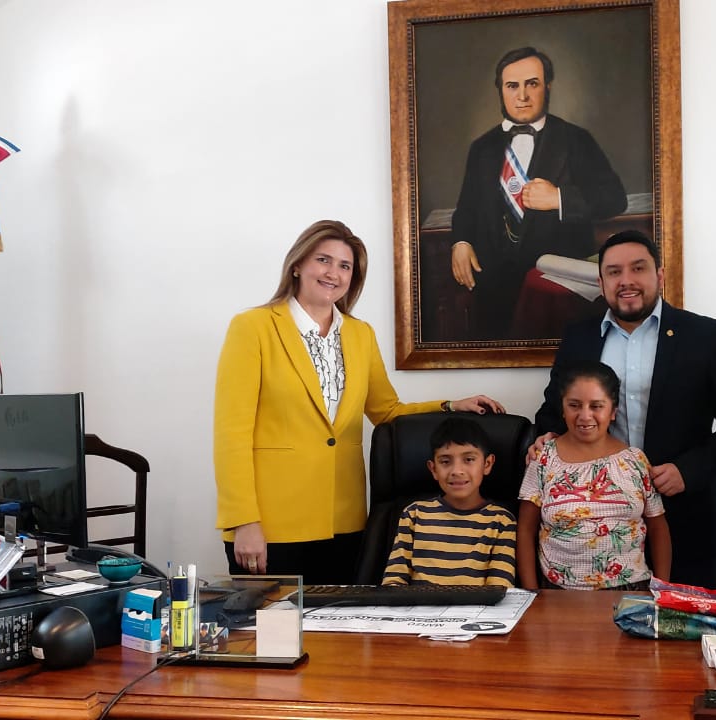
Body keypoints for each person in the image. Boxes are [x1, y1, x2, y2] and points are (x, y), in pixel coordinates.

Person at [213, 219, 505, 583]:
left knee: (338, 637)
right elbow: (231, 436)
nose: (333, 273)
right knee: (272, 637)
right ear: (297, 264)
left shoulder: (359, 334)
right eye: (323, 260)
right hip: (272, 524)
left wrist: (449, 405)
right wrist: (244, 521)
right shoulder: (252, 327)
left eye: (345, 266)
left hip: (344, 521)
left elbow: (386, 410)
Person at [534, 230, 716, 590]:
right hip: (598, 529)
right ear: (601, 282)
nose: (626, 281)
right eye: (614, 272)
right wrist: (545, 438)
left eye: (638, 268)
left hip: (687, 518)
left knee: (687, 638)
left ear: (659, 275)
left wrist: (688, 470)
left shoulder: (703, 336)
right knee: (602, 643)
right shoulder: (579, 338)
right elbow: (554, 410)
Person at [449, 46, 627, 340]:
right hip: (493, 288)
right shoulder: (481, 148)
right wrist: (461, 241)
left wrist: (559, 198)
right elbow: (466, 208)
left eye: (532, 84)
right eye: (512, 86)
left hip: (555, 292)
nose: (522, 96)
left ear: (548, 87)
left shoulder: (576, 140)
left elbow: (614, 198)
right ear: (500, 90)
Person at [519, 360, 671, 590]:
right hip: (559, 593)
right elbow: (526, 530)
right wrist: (532, 595)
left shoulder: (635, 461)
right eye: (574, 405)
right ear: (562, 408)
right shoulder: (543, 458)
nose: (585, 415)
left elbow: (658, 528)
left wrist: (662, 590)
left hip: (631, 591)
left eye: (596, 406)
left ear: (613, 412)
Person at [381, 417, 517, 587]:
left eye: (468, 460)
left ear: (487, 464)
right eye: (445, 461)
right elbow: (394, 581)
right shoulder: (414, 514)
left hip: (475, 611)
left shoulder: (501, 521)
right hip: (418, 610)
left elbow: (499, 589)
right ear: (433, 469)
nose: (457, 471)